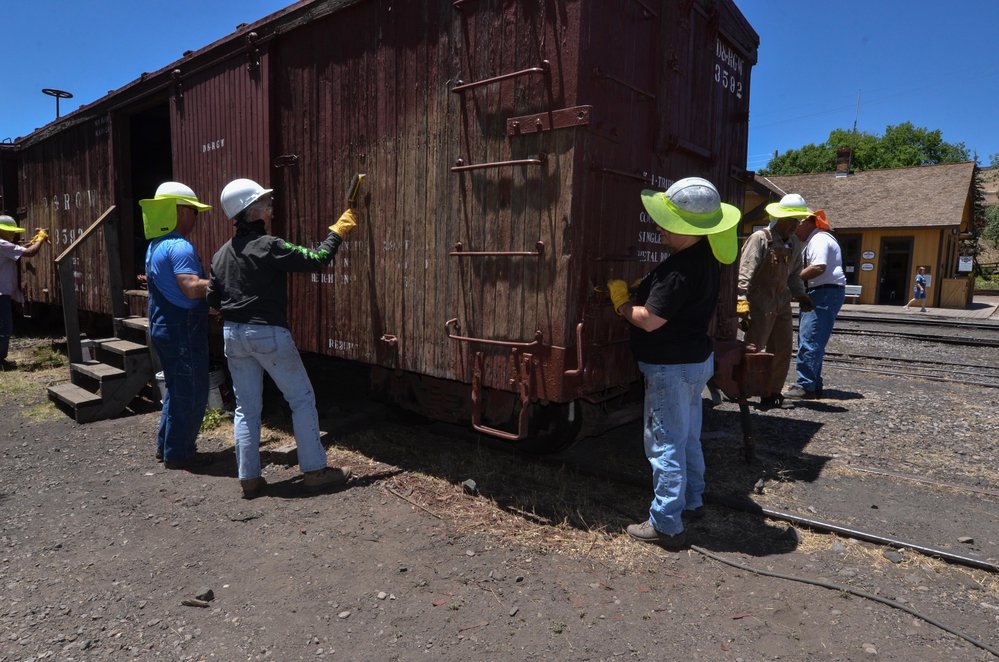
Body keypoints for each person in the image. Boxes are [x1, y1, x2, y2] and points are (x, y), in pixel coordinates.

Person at [606, 177, 741, 549]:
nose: (658, 227)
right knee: (687, 437)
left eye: (665, 221)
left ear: (684, 228)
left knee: (664, 442)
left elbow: (650, 319)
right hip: (695, 360)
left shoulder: (679, 269)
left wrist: (622, 304)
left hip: (670, 366)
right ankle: (693, 500)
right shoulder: (705, 260)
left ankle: (666, 524)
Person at [207, 178, 357, 499]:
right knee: (300, 399)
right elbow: (317, 258)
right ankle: (315, 472)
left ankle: (249, 479)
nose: (270, 207)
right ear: (252, 210)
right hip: (267, 333)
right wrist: (339, 231)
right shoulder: (270, 246)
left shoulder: (220, 255)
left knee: (246, 409)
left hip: (232, 335)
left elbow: (212, 302)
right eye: (265, 202)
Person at [139, 182, 213, 469]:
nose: (196, 218)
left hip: (162, 323)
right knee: (191, 391)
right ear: (180, 211)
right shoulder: (180, 246)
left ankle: (166, 446)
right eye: (194, 212)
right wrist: (223, 284)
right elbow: (191, 288)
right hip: (183, 328)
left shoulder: (155, 245)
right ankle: (180, 454)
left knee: (175, 389)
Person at [736, 193, 814, 410]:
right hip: (760, 301)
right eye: (792, 221)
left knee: (782, 349)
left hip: (782, 302)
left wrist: (800, 294)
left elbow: (794, 274)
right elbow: (745, 271)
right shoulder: (761, 238)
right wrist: (741, 298)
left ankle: (771, 393)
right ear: (780, 219)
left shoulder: (795, 242)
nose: (795, 225)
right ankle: (742, 389)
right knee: (754, 348)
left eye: (797, 221)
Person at [786, 210, 846, 400]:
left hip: (823, 291)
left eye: (798, 223)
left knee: (810, 338)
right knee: (814, 338)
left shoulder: (818, 240)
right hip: (824, 291)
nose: (795, 227)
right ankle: (813, 382)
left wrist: (791, 280)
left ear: (809, 222)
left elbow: (818, 267)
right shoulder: (819, 239)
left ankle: (806, 385)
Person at [0, 216, 48, 370]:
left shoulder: (3, 245)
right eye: (10, 232)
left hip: (2, 292)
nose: (13, 235)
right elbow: (30, 253)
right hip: (1, 294)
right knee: (4, 329)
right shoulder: (1, 244)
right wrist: (41, 238)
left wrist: (33, 242)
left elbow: (20, 251)